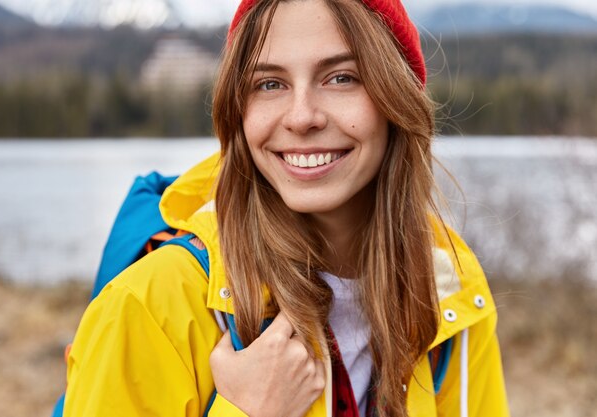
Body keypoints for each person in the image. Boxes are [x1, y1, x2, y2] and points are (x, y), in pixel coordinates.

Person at [63, 1, 509, 416]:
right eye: (269, 84)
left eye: (341, 78)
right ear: (237, 111)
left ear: (397, 100)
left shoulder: (450, 293)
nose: (301, 117)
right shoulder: (149, 306)